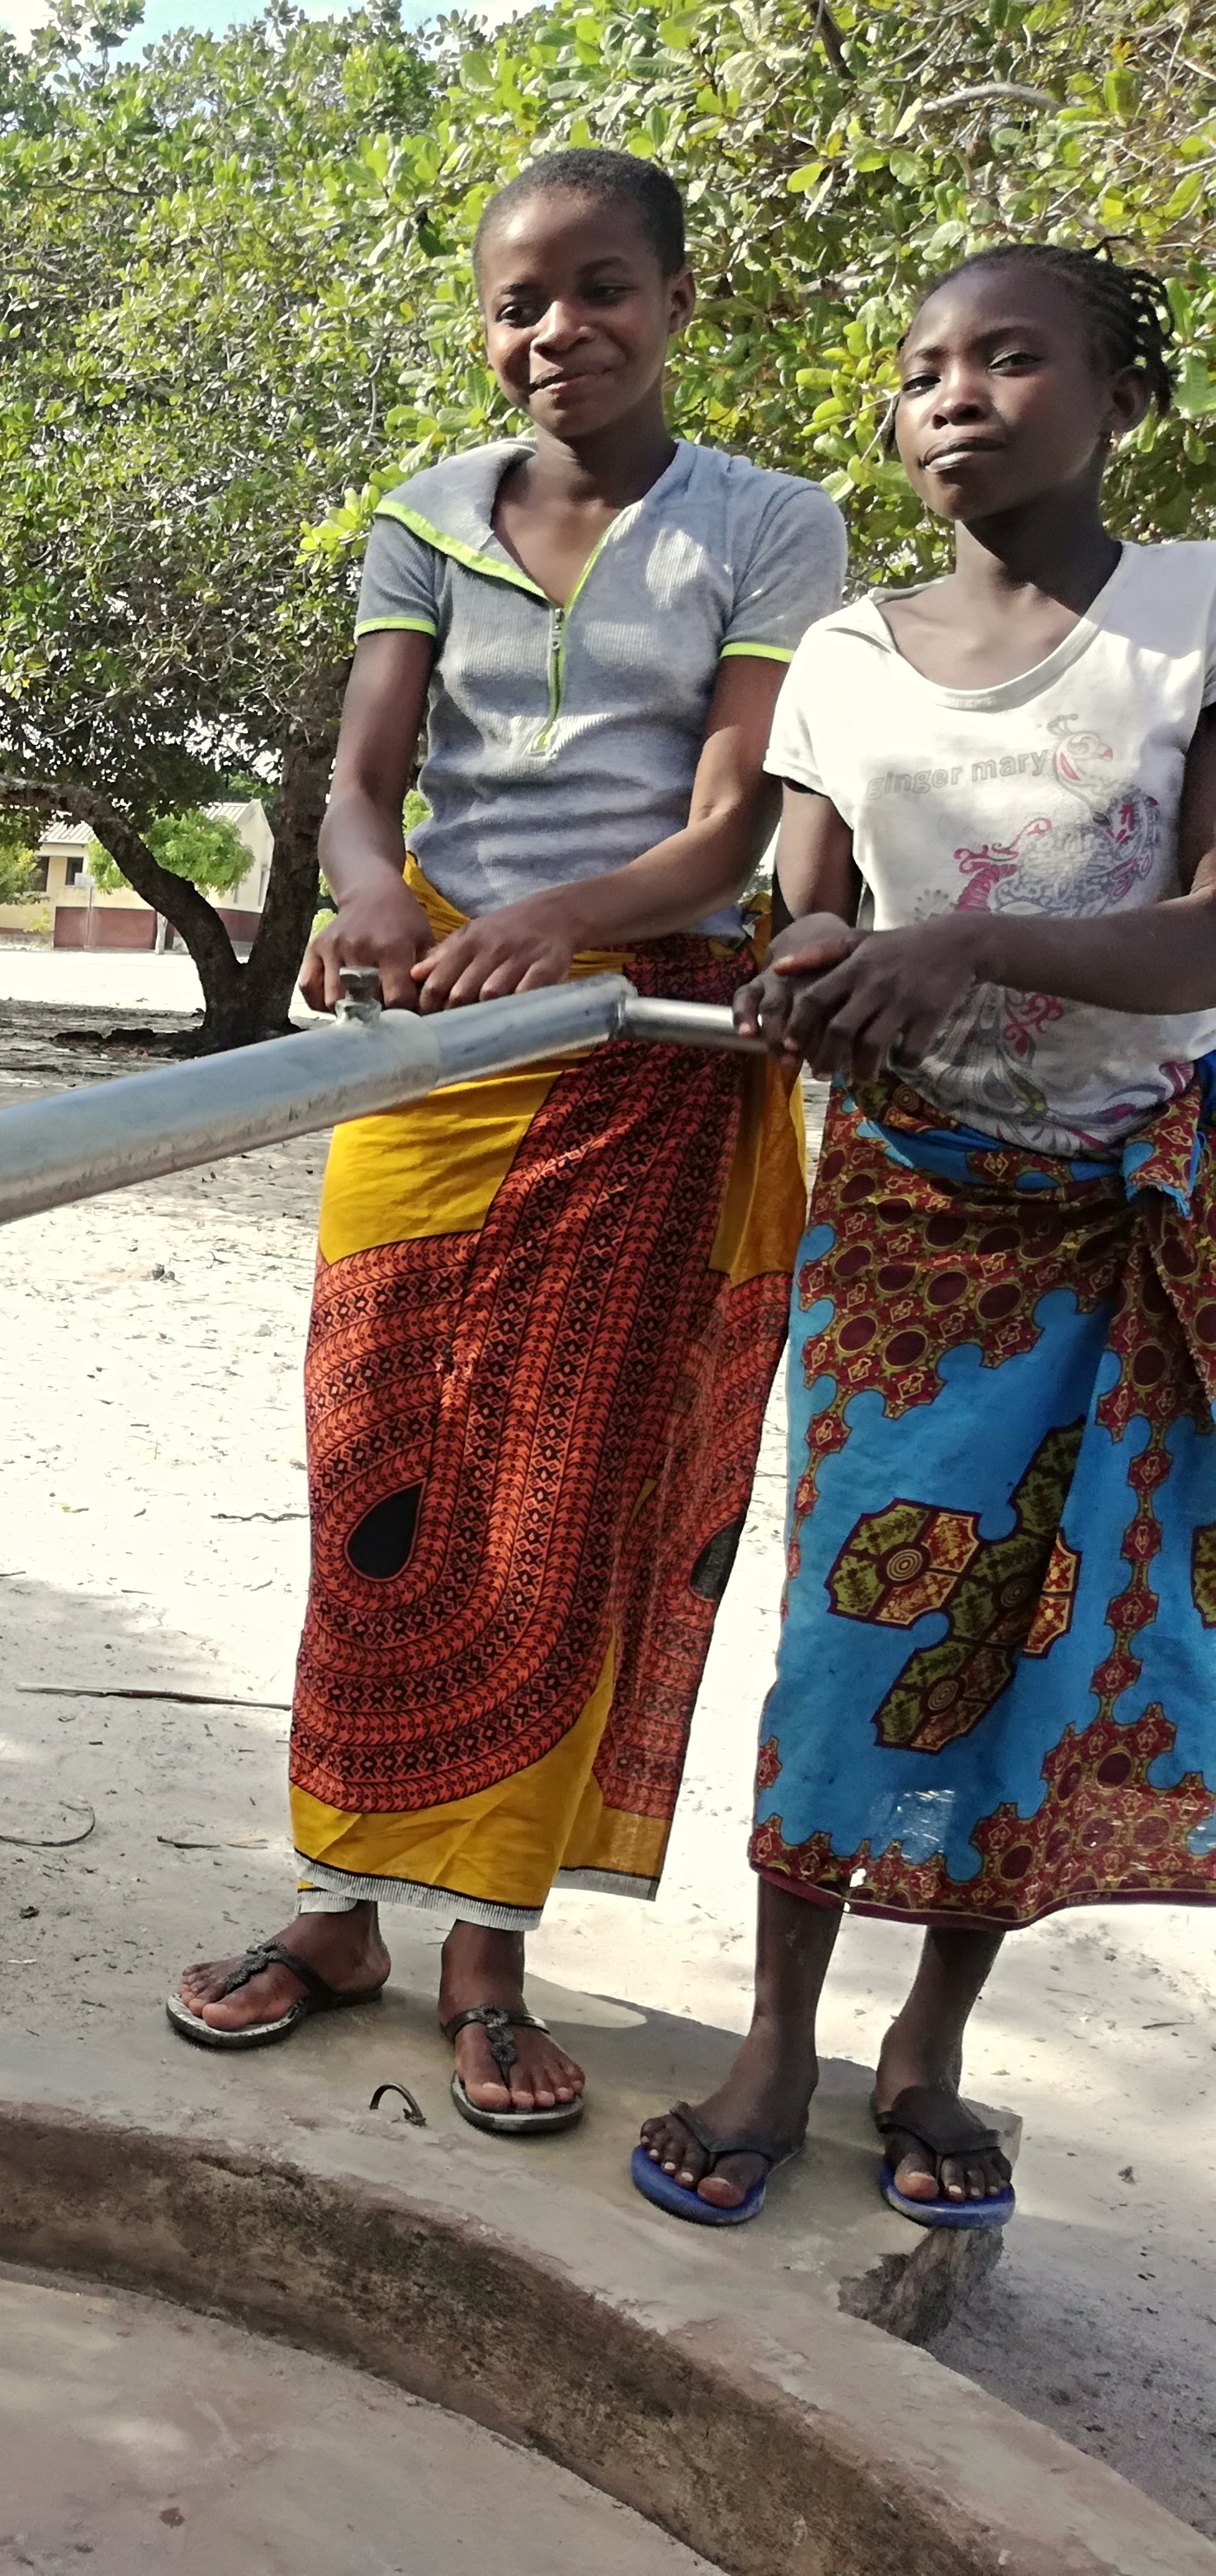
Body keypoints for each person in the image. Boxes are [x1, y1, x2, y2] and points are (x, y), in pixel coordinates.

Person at [167, 149, 842, 2136]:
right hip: (434, 1041)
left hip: (640, 1041)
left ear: (677, 302)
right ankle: (333, 1908)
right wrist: (370, 896)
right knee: (372, 1461)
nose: (559, 331)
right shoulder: (425, 517)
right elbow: (366, 782)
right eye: (518, 303)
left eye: (601, 288)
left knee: (557, 1497)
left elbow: (733, 818)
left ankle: (485, 1944)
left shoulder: (765, 524)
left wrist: (575, 921)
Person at [636, 247, 1216, 2230]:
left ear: (1121, 393)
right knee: (854, 1628)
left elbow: (1213, 926)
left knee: (1035, 1645)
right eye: (921, 368)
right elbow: (801, 911)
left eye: (1008, 356)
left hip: (1133, 1207)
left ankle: (930, 2046)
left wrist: (960, 937)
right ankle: (778, 2035)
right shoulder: (849, 661)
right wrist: (806, 967)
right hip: (907, 1214)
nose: (953, 394)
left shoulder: (1193, 618)